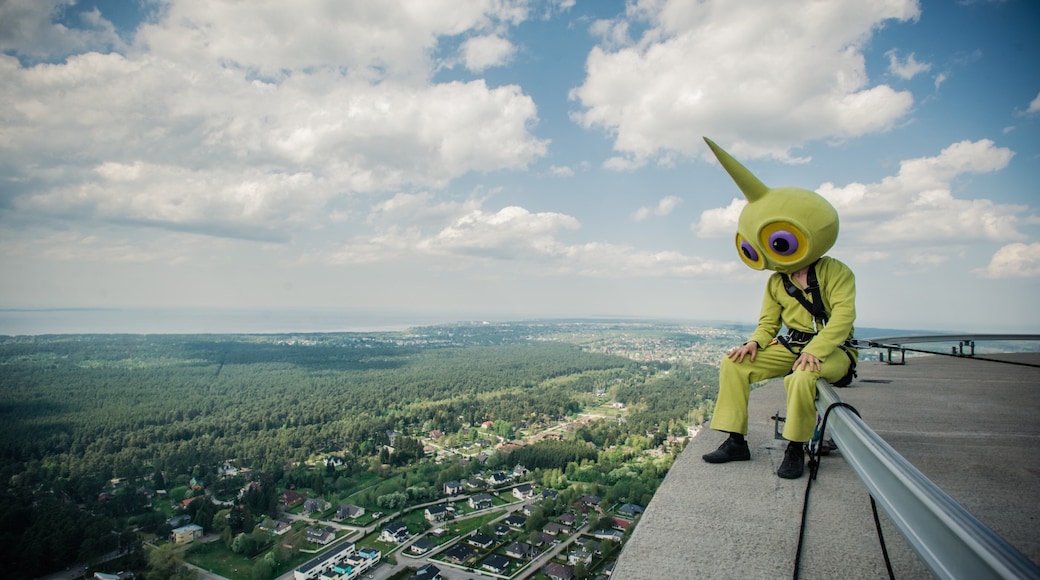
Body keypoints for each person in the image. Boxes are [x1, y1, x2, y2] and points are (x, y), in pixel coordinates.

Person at [699, 137, 857, 479]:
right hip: (791, 345)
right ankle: (736, 440)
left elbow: (843, 318)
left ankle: (796, 447)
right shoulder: (776, 282)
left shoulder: (835, 272)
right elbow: (768, 323)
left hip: (833, 351)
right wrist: (754, 343)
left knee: (803, 375)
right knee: (734, 364)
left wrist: (815, 350)